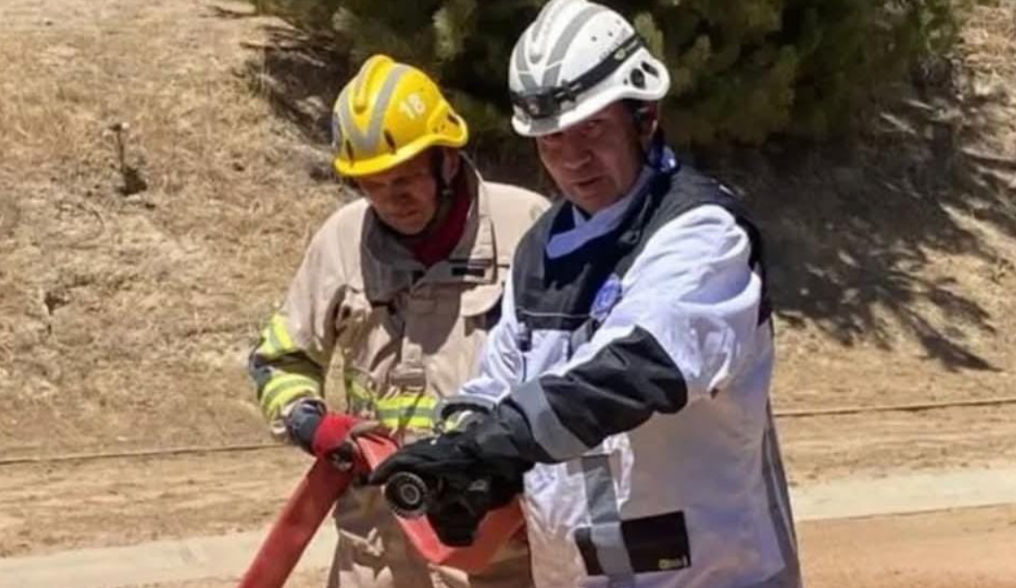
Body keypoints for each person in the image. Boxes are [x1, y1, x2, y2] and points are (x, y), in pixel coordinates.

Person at [370, 1, 802, 587]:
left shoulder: (702, 231)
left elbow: (635, 369)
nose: (572, 159)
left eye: (592, 128)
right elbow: (499, 381)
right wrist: (465, 455)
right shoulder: (541, 249)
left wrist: (498, 445)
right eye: (551, 138)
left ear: (644, 117)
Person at [248, 54, 548, 588]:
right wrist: (309, 423)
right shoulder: (341, 240)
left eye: (406, 178)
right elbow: (281, 358)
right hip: (377, 556)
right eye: (373, 184)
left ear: (447, 160)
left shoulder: (525, 228)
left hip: (497, 556)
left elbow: (574, 380)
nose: (392, 199)